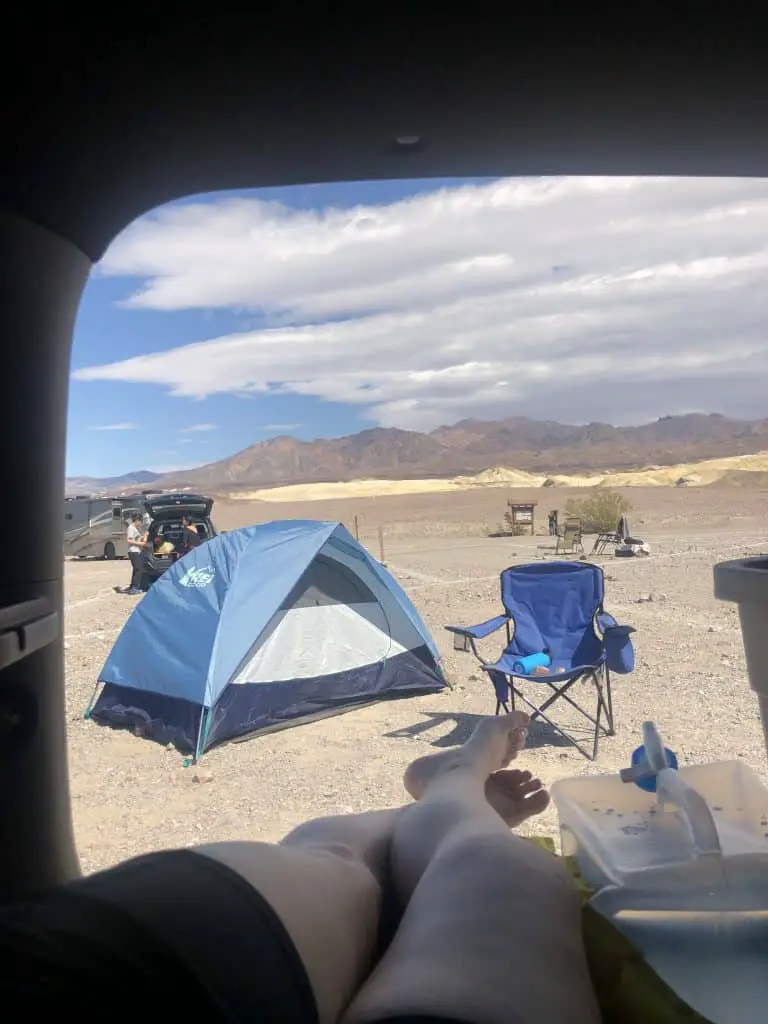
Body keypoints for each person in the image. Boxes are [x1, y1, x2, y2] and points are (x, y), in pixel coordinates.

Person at [0, 714, 600, 1022]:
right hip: (102, 962)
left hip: (81, 975)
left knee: (336, 857)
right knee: (481, 858)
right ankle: (456, 787)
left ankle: (452, 789)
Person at [124, 513, 148, 594]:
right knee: (139, 569)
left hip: (137, 551)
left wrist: (144, 536)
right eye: (140, 521)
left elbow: (137, 539)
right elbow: (129, 540)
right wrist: (141, 544)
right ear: (137, 520)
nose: (141, 523)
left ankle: (132, 586)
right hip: (133, 551)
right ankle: (135, 588)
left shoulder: (135, 528)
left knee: (136, 569)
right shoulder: (131, 528)